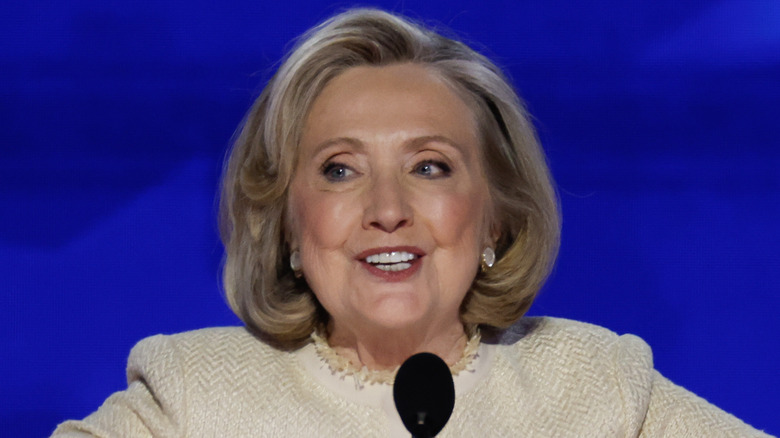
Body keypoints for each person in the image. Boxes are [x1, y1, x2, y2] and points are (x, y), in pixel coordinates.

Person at [52, 8, 771, 438]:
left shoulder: (598, 385)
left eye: (430, 166)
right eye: (340, 169)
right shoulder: (191, 394)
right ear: (289, 227)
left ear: (495, 218)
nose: (387, 209)